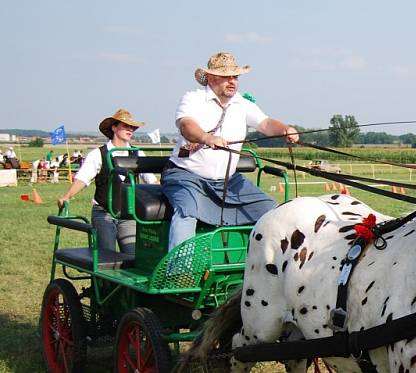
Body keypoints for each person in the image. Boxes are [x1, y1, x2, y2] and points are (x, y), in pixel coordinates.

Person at [162, 51, 299, 249]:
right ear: (210, 78)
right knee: (187, 212)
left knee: (271, 210)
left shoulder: (243, 104)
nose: (232, 81)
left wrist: (285, 130)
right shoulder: (193, 98)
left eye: (235, 77)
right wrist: (206, 138)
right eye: (225, 77)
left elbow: (266, 123)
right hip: (187, 176)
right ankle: (179, 273)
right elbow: (186, 125)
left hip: (228, 181)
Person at [57, 109, 157, 255]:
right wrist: (67, 196)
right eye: (126, 126)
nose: (130, 130)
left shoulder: (138, 153)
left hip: (129, 215)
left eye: (133, 127)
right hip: (103, 213)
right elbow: (83, 179)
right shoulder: (98, 154)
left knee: (133, 257)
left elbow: (152, 181)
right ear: (114, 127)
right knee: (107, 259)